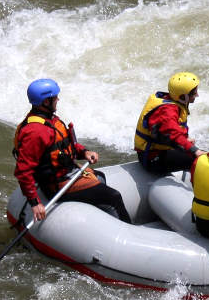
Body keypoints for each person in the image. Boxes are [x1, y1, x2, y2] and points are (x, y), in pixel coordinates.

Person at [13, 78, 131, 223]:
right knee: (114, 197)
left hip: (65, 173)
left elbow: (65, 146)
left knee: (99, 177)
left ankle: (98, 221)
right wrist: (35, 202)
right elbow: (23, 171)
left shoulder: (49, 120)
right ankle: (126, 231)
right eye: (55, 97)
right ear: (45, 102)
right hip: (56, 184)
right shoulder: (36, 132)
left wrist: (84, 152)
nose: (58, 99)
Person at [135, 72, 206, 175]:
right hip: (153, 158)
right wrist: (195, 151)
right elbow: (173, 132)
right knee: (202, 160)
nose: (197, 95)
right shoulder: (167, 112)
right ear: (182, 97)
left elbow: (166, 131)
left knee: (200, 155)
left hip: (159, 151)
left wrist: (185, 140)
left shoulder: (171, 101)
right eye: (193, 93)